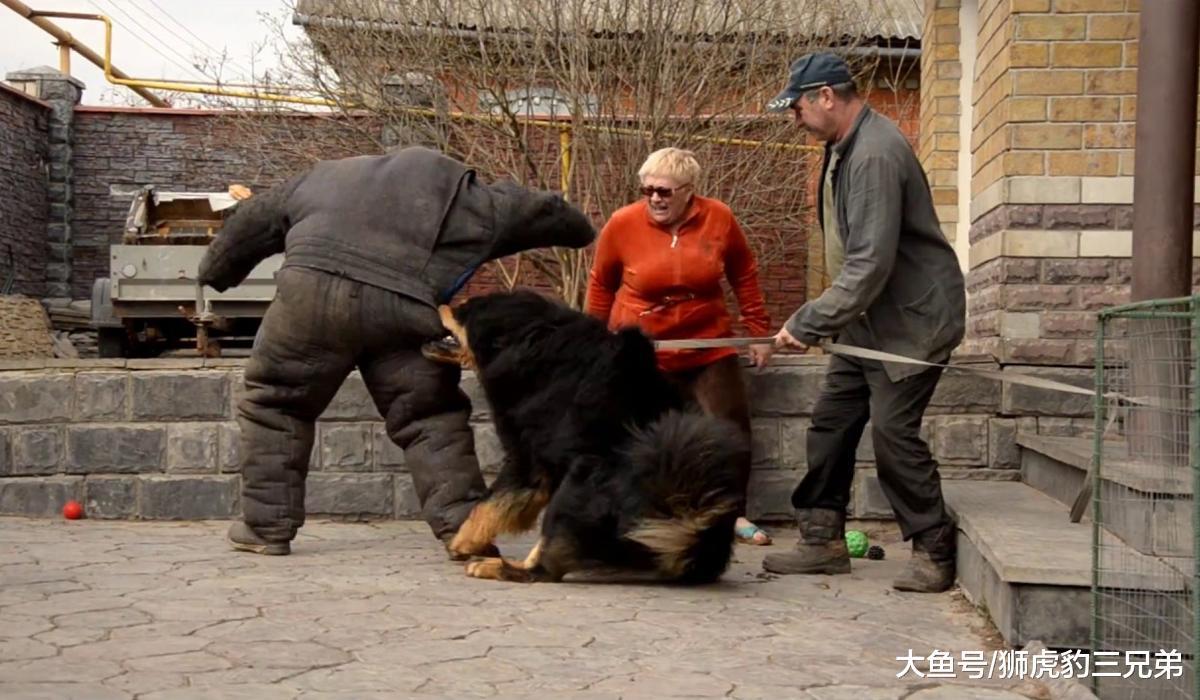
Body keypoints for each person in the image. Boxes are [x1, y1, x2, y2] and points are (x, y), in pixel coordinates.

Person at [197, 146, 596, 558]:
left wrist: (215, 273)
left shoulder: (317, 178)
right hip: (402, 309)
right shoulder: (464, 195)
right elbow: (541, 211)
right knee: (430, 417)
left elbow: (249, 222)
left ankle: (265, 529)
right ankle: (462, 528)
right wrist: (583, 232)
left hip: (308, 303)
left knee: (275, 403)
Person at [759, 53, 967, 592]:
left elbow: (870, 262)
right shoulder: (842, 147)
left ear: (827, 96)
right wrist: (827, 319)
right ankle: (822, 540)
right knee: (831, 423)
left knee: (893, 433)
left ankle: (932, 548)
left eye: (799, 107)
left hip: (912, 323)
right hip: (868, 321)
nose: (795, 119)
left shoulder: (874, 154)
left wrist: (807, 321)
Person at [584, 146, 775, 546]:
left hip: (706, 343)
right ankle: (633, 512)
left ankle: (732, 514)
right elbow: (601, 284)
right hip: (640, 348)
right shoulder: (622, 224)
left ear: (689, 191)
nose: (655, 198)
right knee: (634, 431)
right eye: (647, 190)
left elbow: (744, 273)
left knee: (729, 428)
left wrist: (758, 331)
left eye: (665, 191)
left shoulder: (719, 218)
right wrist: (593, 341)